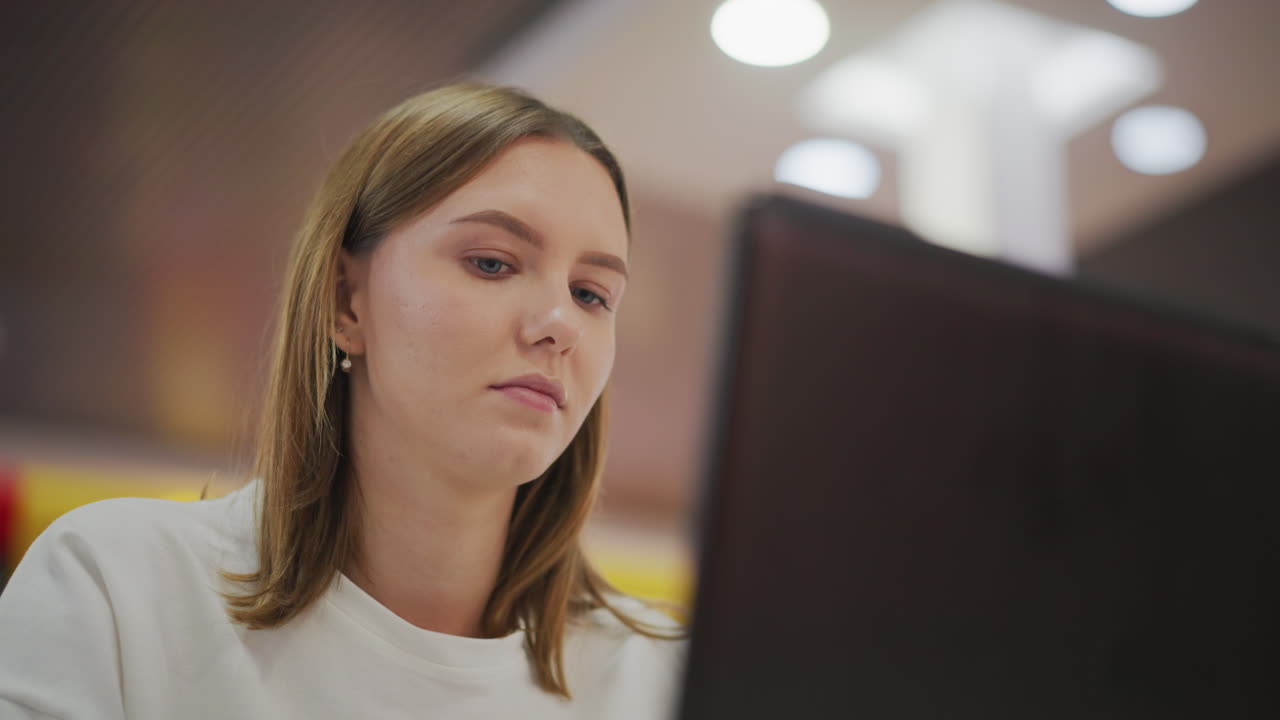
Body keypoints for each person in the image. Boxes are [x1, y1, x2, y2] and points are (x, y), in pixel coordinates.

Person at [0, 83, 686, 719]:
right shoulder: (116, 589)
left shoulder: (662, 681)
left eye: (591, 294)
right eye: (491, 262)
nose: (560, 324)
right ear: (345, 301)